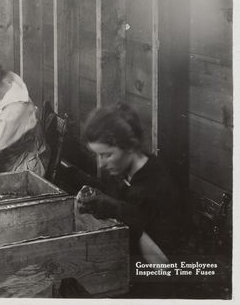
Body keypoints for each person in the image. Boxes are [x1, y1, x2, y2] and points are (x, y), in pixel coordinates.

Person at [77, 102, 184, 261]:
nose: (101, 164)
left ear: (130, 146)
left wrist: (119, 211)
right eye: (97, 155)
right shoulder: (124, 171)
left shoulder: (158, 185)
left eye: (107, 155)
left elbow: (165, 266)